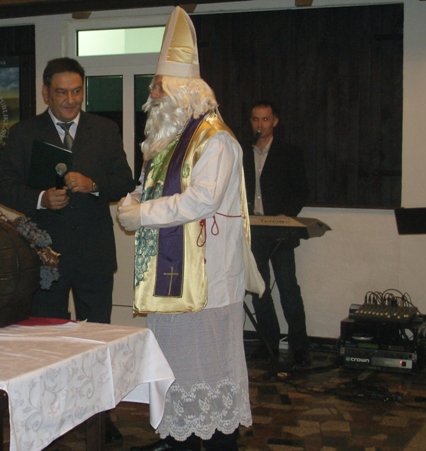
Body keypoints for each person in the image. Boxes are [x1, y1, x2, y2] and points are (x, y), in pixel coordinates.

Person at [117, 7, 252, 451]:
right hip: (171, 279)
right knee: (174, 367)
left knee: (208, 372)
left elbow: (201, 200)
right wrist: (134, 200)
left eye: (158, 87)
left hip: (208, 283)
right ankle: (178, 438)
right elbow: (153, 188)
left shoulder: (217, 140)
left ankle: (217, 441)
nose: (151, 94)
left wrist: (142, 214)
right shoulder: (170, 140)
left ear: (182, 91)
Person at [0, 57, 135, 444]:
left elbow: (124, 180)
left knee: (96, 341)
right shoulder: (24, 133)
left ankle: (100, 418)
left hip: (93, 253)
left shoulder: (104, 129)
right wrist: (39, 198)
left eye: (76, 91)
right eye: (61, 92)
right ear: (45, 92)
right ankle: (48, 417)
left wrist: (94, 184)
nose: (70, 100)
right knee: (47, 343)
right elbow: (1, 185)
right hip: (44, 255)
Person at [243, 100, 311, 366]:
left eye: (265, 119)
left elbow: (301, 190)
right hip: (254, 228)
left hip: (281, 229)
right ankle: (268, 342)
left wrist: (286, 214)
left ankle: (299, 346)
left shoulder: (289, 152)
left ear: (275, 121)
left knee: (288, 289)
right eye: (255, 119)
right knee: (259, 290)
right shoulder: (243, 152)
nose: (260, 124)